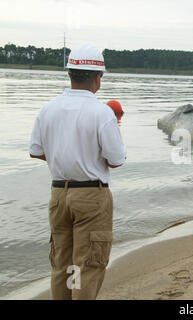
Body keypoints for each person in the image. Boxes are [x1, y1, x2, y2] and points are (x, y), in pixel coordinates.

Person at [29, 44, 126, 300]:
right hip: (91, 197)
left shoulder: (48, 109)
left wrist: (65, 155)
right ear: (97, 78)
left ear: (70, 73)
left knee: (63, 263)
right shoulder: (102, 112)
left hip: (59, 194)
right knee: (88, 266)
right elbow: (116, 160)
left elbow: (36, 151)